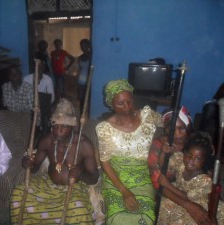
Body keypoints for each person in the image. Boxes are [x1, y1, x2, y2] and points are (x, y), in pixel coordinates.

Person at [10, 98, 99, 224]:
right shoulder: (47, 141)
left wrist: (80, 174)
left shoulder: (83, 144)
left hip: (75, 186)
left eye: (64, 126)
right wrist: (27, 164)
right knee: (18, 193)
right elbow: (35, 168)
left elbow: (94, 177)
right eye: (55, 126)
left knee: (78, 210)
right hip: (48, 183)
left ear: (72, 127)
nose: (58, 130)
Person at [95, 79, 163, 225]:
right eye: (120, 103)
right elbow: (105, 162)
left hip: (142, 177)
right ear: (111, 105)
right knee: (118, 218)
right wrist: (124, 192)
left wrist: (167, 141)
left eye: (130, 101)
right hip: (116, 178)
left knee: (145, 216)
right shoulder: (105, 129)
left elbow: (170, 123)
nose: (127, 107)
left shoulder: (146, 116)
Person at [157, 134, 224, 225]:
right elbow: (162, 165)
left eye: (197, 158)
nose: (191, 160)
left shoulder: (204, 180)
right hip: (180, 193)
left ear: (204, 160)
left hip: (196, 202)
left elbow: (187, 197)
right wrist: (163, 152)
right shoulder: (180, 160)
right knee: (162, 205)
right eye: (189, 155)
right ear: (184, 153)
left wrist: (167, 184)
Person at [148, 106, 193, 190]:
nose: (177, 134)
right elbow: (156, 176)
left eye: (182, 128)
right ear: (166, 129)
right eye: (172, 130)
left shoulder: (194, 144)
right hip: (166, 189)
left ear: (188, 126)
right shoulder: (158, 145)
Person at [24, 60, 55, 135]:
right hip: (30, 106)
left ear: (44, 68)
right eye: (37, 67)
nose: (39, 69)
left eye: (41, 67)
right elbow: (24, 97)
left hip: (43, 106)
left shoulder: (48, 80)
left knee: (45, 118)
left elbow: (52, 98)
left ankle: (42, 133)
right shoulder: (26, 79)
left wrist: (40, 105)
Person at [77, 39, 92, 115]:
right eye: (81, 46)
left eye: (84, 45)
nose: (83, 47)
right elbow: (80, 70)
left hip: (89, 82)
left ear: (88, 46)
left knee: (90, 100)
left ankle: (89, 115)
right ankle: (81, 115)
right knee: (81, 100)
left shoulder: (92, 57)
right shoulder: (80, 57)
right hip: (81, 82)